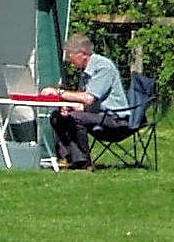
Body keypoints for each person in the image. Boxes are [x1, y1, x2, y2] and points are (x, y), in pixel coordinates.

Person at [47, 33, 129, 169]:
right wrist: (69, 107)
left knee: (76, 118)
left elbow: (88, 98)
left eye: (71, 55)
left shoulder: (103, 67)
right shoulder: (85, 71)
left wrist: (59, 93)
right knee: (58, 116)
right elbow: (83, 103)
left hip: (115, 118)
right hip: (97, 114)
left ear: (84, 54)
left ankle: (83, 162)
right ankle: (69, 158)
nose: (69, 59)